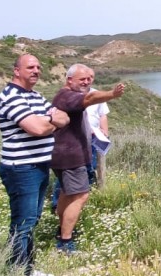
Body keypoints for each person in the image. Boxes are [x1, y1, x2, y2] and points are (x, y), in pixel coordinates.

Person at [0, 54, 69, 276]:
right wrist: (51, 121)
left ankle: (27, 268)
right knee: (22, 224)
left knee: (31, 221)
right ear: (17, 70)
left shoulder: (35, 96)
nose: (36, 70)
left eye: (38, 67)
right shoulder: (10, 97)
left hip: (39, 165)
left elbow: (64, 119)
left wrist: (51, 120)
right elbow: (36, 128)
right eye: (30, 67)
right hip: (21, 167)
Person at [51, 65, 125, 253]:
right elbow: (90, 98)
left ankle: (61, 231)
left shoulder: (64, 95)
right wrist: (112, 94)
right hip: (71, 156)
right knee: (80, 195)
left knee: (66, 194)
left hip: (64, 154)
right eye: (81, 79)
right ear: (69, 80)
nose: (86, 82)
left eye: (89, 79)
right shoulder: (68, 96)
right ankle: (66, 241)